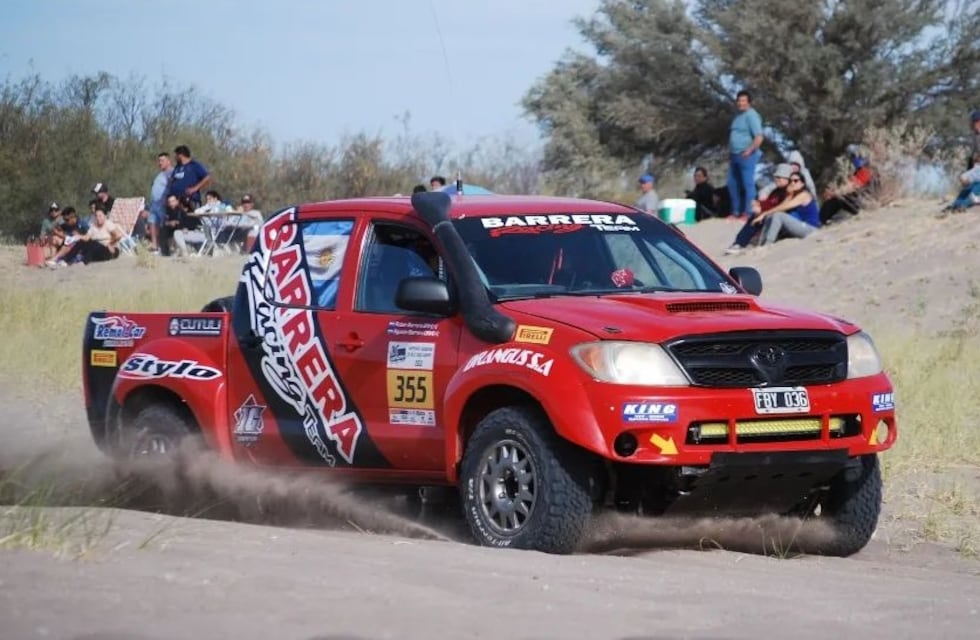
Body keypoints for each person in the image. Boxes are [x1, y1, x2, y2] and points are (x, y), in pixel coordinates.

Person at [724, 163, 792, 255]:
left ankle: (740, 243)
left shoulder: (788, 191)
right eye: (776, 177)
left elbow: (781, 206)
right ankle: (739, 243)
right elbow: (770, 202)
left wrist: (761, 210)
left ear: (787, 179)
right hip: (771, 214)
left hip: (781, 218)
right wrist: (759, 204)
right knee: (755, 215)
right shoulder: (777, 191)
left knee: (757, 218)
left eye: (780, 177)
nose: (777, 179)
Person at [753, 171, 820, 245]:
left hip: (810, 229)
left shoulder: (804, 195)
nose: (792, 183)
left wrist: (763, 214)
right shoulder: (793, 195)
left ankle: (768, 243)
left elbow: (784, 208)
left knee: (778, 215)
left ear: (802, 184)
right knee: (771, 216)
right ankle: (761, 243)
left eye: (796, 181)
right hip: (801, 226)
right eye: (790, 181)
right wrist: (789, 194)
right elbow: (782, 206)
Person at [727, 90, 765, 218]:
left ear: (749, 102)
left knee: (748, 183)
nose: (740, 103)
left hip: (746, 155)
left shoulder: (751, 115)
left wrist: (749, 150)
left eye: (743, 101)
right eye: (739, 100)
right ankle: (735, 211)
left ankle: (749, 212)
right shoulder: (737, 116)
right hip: (734, 155)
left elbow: (759, 137)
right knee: (732, 183)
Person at [46, 207, 123, 267]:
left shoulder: (108, 224)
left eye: (100, 216)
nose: (98, 218)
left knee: (93, 243)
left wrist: (110, 243)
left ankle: (83, 262)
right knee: (83, 241)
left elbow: (119, 235)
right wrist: (78, 236)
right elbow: (86, 238)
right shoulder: (93, 226)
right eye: (96, 216)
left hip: (109, 251)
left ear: (105, 216)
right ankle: (66, 261)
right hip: (97, 250)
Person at [819, 145, 875, 225]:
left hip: (862, 203)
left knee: (835, 200)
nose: (853, 159)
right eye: (852, 156)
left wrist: (834, 193)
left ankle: (822, 222)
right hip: (860, 201)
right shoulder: (860, 171)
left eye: (854, 156)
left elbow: (852, 186)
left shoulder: (865, 171)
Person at [147, 151, 173, 253]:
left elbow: (172, 186)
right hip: (154, 204)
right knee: (152, 222)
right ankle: (154, 245)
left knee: (163, 224)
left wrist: (169, 199)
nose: (160, 163)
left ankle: (166, 246)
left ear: (168, 161)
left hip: (163, 203)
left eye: (162, 160)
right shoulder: (160, 174)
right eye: (159, 161)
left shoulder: (171, 172)